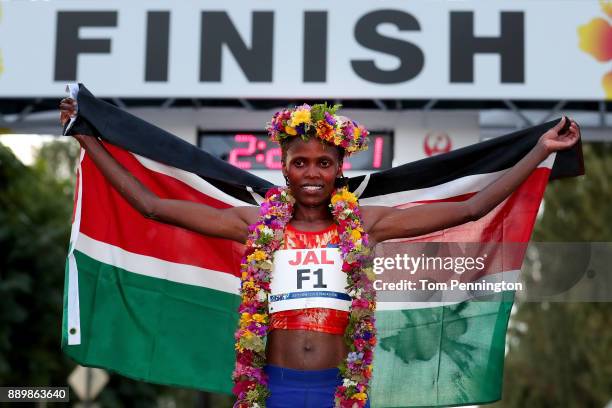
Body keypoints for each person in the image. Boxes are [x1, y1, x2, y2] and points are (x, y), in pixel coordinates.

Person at [59, 98, 580, 408]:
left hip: (343, 390)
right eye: (301, 162)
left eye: (324, 163)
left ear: (339, 169)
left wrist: (539, 152)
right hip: (273, 388)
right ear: (283, 166)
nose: (313, 174)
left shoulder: (367, 224)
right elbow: (152, 205)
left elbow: (473, 208)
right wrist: (88, 139)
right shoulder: (253, 223)